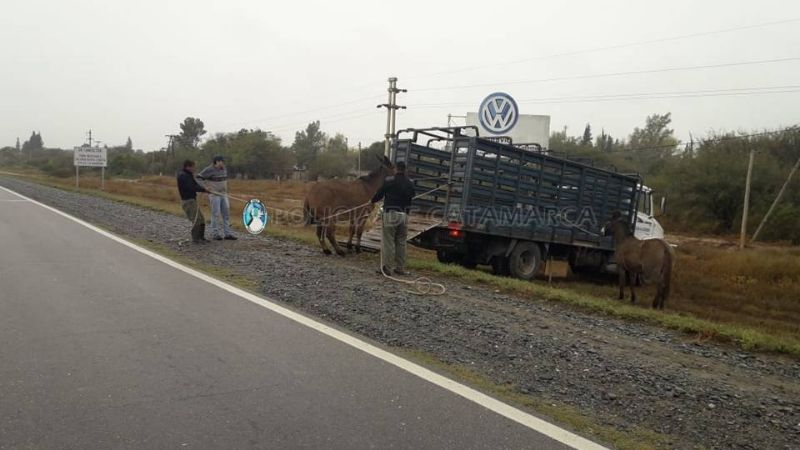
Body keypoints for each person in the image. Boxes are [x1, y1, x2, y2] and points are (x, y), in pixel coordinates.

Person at [371, 161, 415, 275]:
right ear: (405, 169)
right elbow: (412, 195)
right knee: (401, 242)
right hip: (404, 215)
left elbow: (379, 194)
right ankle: (400, 268)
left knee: (388, 241)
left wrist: (372, 201)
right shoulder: (410, 183)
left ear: (395, 169)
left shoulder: (389, 180)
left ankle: (387, 268)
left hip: (391, 213)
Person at [198, 155, 237, 241]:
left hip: (224, 194)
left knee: (226, 214)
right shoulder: (209, 169)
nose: (223, 163)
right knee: (216, 214)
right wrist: (205, 187)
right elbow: (198, 178)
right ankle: (215, 234)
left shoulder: (224, 169)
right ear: (217, 161)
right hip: (214, 195)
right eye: (222, 161)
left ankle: (227, 233)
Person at [176, 159, 210, 244]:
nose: (195, 168)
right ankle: (196, 239)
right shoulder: (183, 176)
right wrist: (204, 190)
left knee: (201, 219)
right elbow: (191, 187)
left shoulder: (188, 174)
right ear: (188, 167)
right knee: (196, 219)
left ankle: (201, 237)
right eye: (194, 167)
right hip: (188, 201)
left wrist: (204, 189)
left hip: (192, 200)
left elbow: (195, 185)